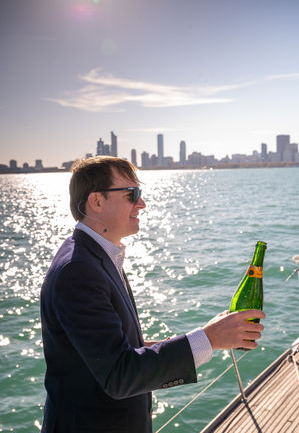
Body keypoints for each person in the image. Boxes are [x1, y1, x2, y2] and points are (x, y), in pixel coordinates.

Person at [40, 156, 265, 433]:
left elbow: (104, 350)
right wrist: (209, 338)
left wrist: (198, 338)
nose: (141, 204)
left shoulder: (97, 256)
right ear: (96, 202)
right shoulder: (78, 271)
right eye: (131, 195)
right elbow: (119, 374)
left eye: (140, 194)